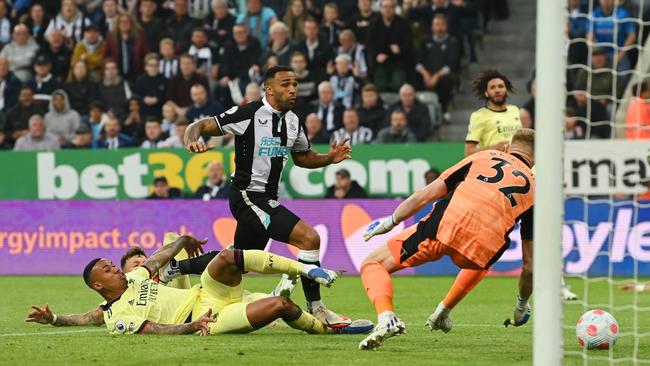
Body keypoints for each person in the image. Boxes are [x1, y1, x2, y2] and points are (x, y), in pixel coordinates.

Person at [184, 65, 354, 328]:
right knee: (309, 238)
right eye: (286, 84)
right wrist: (192, 139)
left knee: (237, 262)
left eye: (295, 84)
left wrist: (328, 159)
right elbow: (199, 125)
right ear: (269, 89)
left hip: (267, 197)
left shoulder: (294, 120)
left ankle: (173, 269)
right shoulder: (249, 113)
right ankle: (317, 309)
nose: (293, 89)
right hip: (247, 196)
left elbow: (302, 157)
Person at [357, 128, 536, 350]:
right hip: (479, 252)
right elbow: (529, 268)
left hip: (442, 230)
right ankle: (444, 310)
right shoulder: (536, 190)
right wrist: (521, 306)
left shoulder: (482, 156)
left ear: (508, 147)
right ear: (534, 160)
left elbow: (426, 194)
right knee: (485, 257)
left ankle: (386, 318)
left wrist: (391, 221)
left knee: (373, 263)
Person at [60, 234, 369, 335]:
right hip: (208, 320)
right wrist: (192, 327)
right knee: (281, 306)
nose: (115, 268)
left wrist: (183, 240)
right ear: (98, 285)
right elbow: (155, 330)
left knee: (226, 257)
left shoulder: (135, 277)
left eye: (112, 264)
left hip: (204, 293)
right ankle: (325, 329)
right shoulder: (115, 318)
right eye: (108, 269)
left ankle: (308, 269)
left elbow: (158, 258)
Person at [464, 69, 520, 157]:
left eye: (500, 86)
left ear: (507, 90)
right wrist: (493, 148)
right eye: (492, 87)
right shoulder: (479, 116)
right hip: (495, 165)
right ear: (486, 93)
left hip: (518, 164)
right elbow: (468, 152)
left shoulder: (515, 110)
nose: (497, 90)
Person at [416, 14, 460, 119]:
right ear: (432, 27)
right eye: (436, 25)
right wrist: (426, 74)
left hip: (443, 74)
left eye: (442, 25)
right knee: (413, 78)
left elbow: (452, 64)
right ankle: (419, 109)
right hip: (426, 73)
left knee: (446, 81)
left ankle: (443, 109)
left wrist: (436, 76)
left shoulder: (452, 42)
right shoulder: (425, 41)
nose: (439, 28)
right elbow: (418, 61)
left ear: (446, 26)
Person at [365, 0, 412, 92]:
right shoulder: (374, 24)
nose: (388, 10)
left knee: (397, 85)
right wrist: (376, 55)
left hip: (398, 61)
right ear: (381, 9)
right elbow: (369, 45)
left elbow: (409, 45)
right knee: (380, 86)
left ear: (395, 9)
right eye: (385, 7)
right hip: (380, 63)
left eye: (390, 7)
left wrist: (400, 50)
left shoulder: (403, 24)